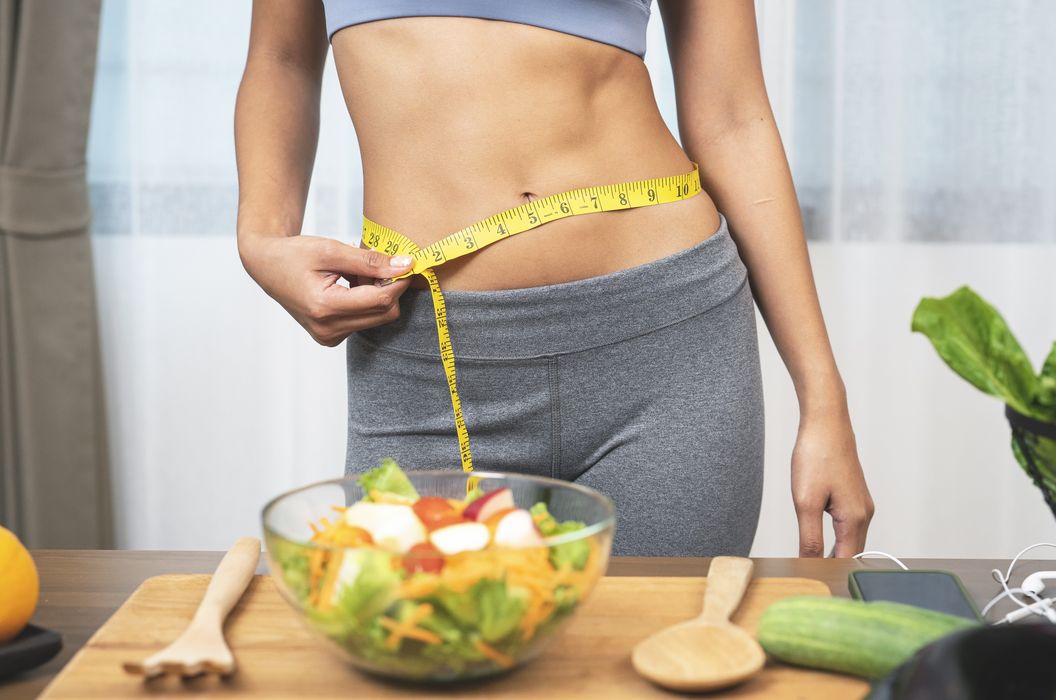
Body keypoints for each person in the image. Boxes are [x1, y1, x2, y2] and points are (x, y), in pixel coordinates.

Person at [234, 0, 874, 557]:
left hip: (667, 347)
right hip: (425, 357)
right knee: (421, 642)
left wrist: (824, 402)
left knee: (657, 651)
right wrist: (261, 239)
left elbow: (732, 114)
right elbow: (281, 59)